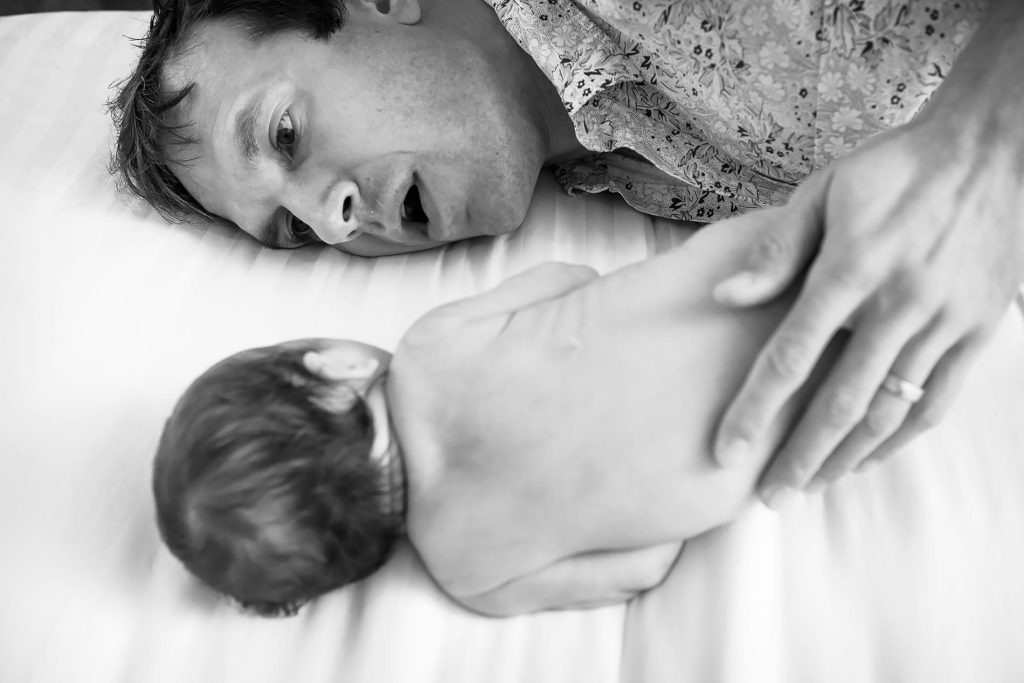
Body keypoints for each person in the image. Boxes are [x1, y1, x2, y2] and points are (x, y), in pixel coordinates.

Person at [113, 0, 1024, 502]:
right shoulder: (606, 171)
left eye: (283, 134)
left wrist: (986, 154)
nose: (335, 223)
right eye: (292, 232)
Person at [153, 214, 843, 618]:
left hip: (786, 429)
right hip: (753, 268)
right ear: (336, 366)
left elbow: (644, 567)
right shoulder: (428, 349)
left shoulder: (471, 574)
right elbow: (565, 277)